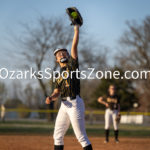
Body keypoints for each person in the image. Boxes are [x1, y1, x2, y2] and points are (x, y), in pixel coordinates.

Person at [45, 25, 93, 150]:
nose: (61, 54)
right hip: (64, 105)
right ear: (56, 60)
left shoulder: (72, 66)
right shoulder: (57, 75)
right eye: (58, 54)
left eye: (63, 52)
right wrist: (51, 97)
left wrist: (76, 30)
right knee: (57, 135)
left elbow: (74, 46)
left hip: (75, 102)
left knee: (81, 137)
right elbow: (56, 92)